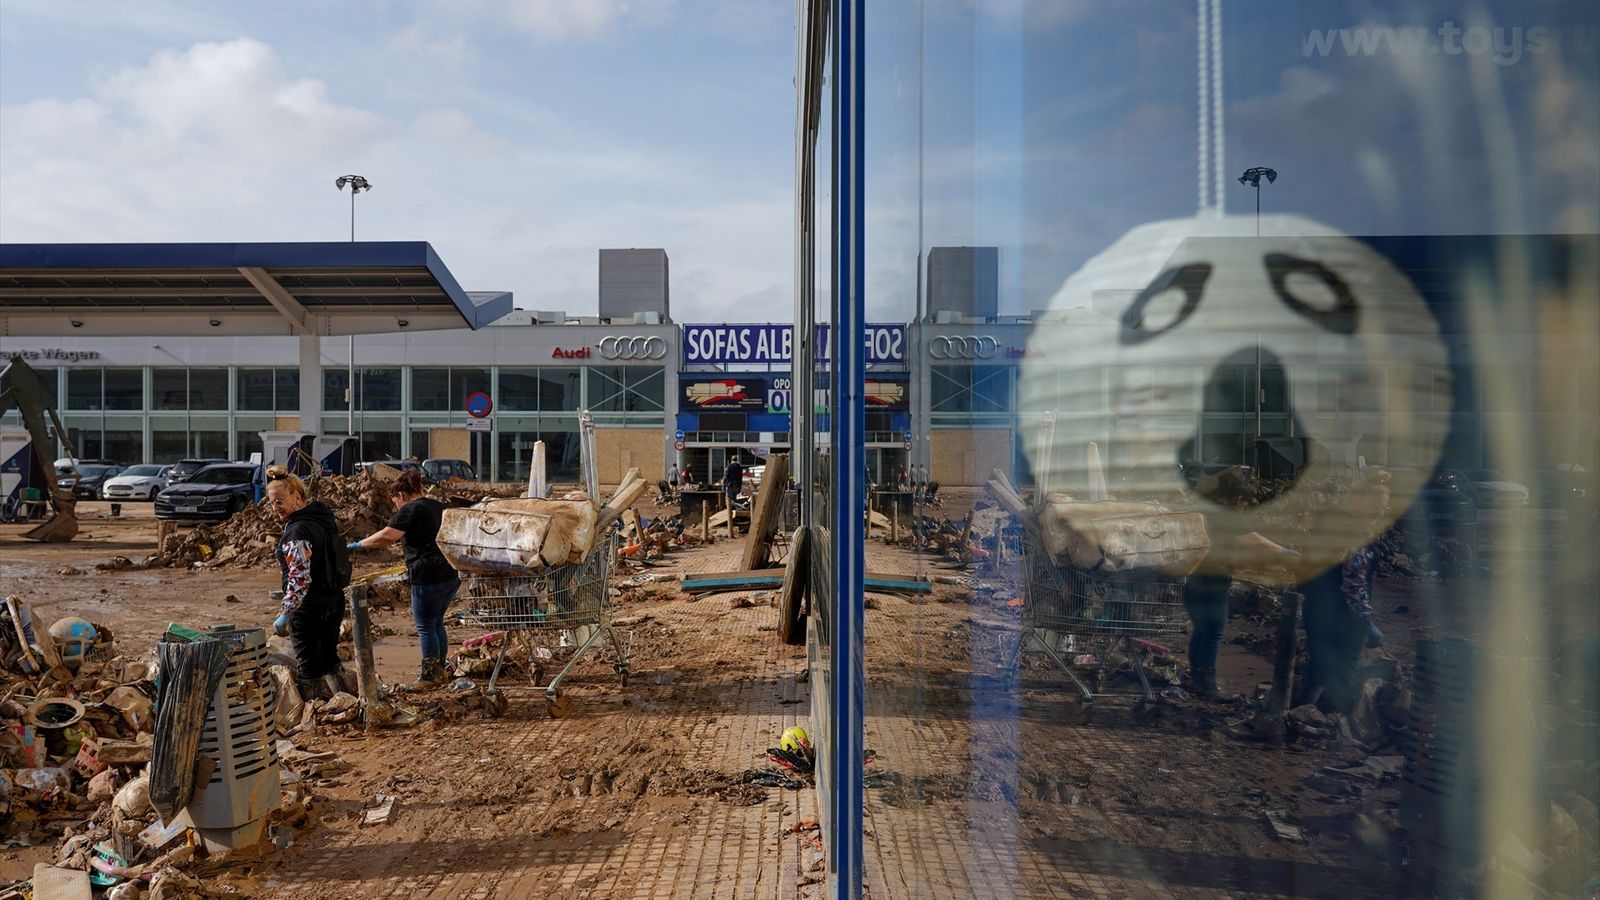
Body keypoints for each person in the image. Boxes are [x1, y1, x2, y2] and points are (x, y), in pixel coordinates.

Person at [348, 469, 460, 686]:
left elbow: (388, 536)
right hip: (450, 572)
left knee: (425, 625)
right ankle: (440, 669)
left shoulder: (410, 509)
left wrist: (358, 544)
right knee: (436, 622)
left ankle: (430, 675)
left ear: (400, 495)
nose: (396, 507)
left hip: (427, 574)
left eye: (395, 502)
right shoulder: (438, 506)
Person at [1300, 472, 1390, 713]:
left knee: (1320, 670)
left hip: (1317, 611)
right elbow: (1354, 583)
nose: (1381, 512)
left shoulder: (1329, 521)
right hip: (1343, 618)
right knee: (1340, 677)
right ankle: (1330, 727)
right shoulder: (1355, 531)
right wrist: (1365, 619)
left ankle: (1296, 714)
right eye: (1378, 506)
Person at [265, 465, 346, 700]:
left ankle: (315, 712)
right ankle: (345, 702)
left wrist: (287, 612)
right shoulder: (322, 520)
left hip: (309, 609)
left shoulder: (298, 531)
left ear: (297, 497)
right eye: (271, 503)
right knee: (330, 659)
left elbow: (299, 577)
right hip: (333, 600)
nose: (275, 508)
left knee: (309, 666)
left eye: (280, 502)